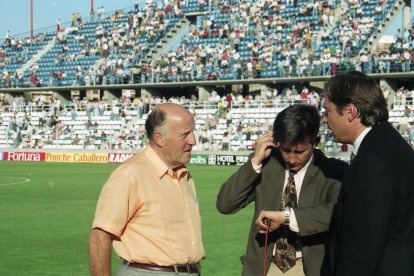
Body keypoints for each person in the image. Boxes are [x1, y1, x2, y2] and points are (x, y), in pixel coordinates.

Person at [217, 104, 348, 276]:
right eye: (286, 150)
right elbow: (226, 204)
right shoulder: (266, 165)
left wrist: (288, 218)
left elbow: (339, 214)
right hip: (265, 268)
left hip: (310, 268)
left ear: (315, 142)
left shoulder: (334, 172)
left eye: (299, 151)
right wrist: (255, 162)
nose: (292, 158)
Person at [89, 103, 205, 276]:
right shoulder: (130, 175)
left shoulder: (183, 175)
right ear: (159, 138)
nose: (193, 140)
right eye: (185, 134)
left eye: (193, 132)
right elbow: (100, 237)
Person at [321, 71, 414, 276]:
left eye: (328, 111)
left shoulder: (373, 161)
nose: (325, 119)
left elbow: (360, 251)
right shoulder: (387, 142)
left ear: (350, 112)